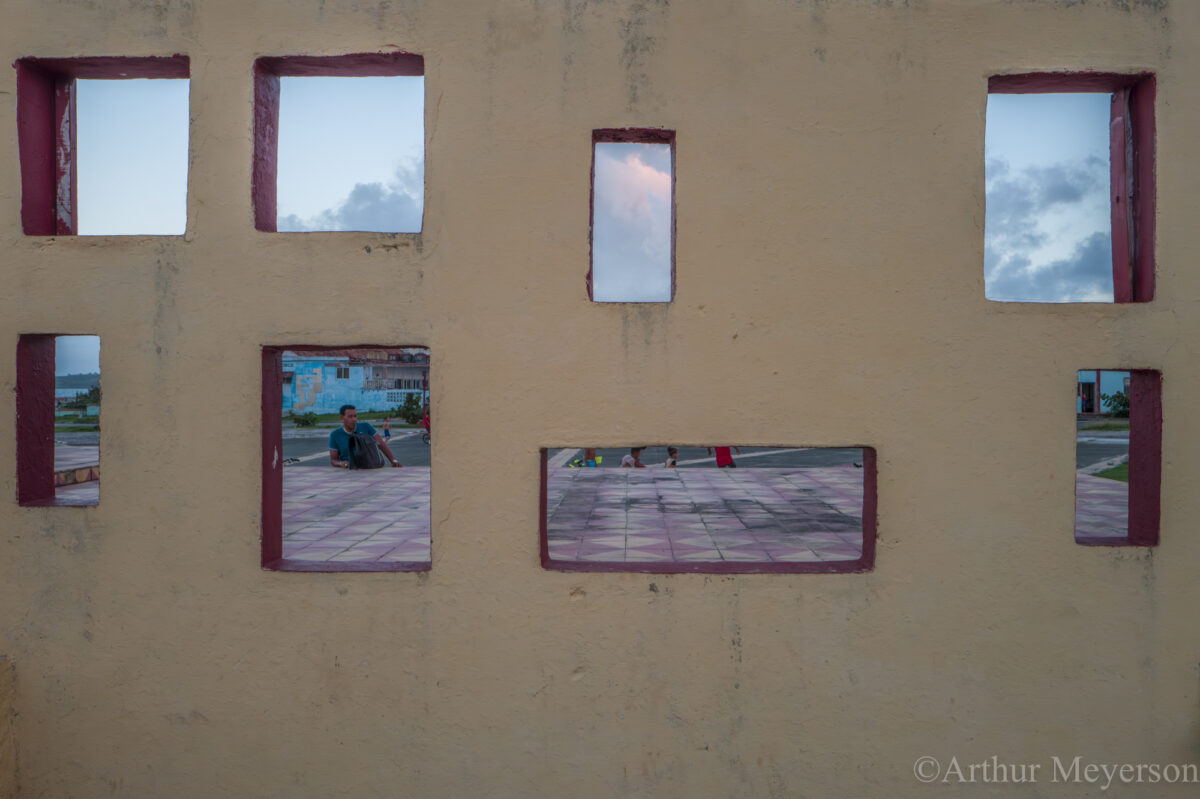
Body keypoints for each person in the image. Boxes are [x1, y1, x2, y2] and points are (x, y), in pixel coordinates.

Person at [329, 404, 402, 468]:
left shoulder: (366, 427)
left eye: (355, 416)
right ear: (342, 418)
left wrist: (393, 460)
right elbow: (333, 460)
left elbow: (381, 444)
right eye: (350, 417)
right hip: (350, 469)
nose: (354, 419)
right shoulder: (335, 435)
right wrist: (341, 464)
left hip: (370, 466)